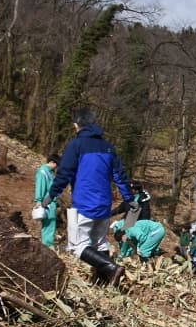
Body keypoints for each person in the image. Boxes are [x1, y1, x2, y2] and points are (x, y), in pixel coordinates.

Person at [41, 108, 131, 285]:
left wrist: (50, 196)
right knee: (100, 242)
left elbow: (64, 173)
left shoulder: (76, 145)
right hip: (104, 204)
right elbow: (120, 176)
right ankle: (105, 281)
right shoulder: (108, 147)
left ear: (76, 125)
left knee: (77, 246)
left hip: (84, 204)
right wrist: (129, 199)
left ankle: (112, 268)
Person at [34, 153, 60, 248]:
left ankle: (47, 245)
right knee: (49, 225)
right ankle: (48, 246)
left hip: (51, 202)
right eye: (56, 164)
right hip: (47, 202)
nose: (56, 167)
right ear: (52, 162)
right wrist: (38, 200)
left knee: (50, 225)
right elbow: (40, 186)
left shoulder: (48, 172)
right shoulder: (43, 172)